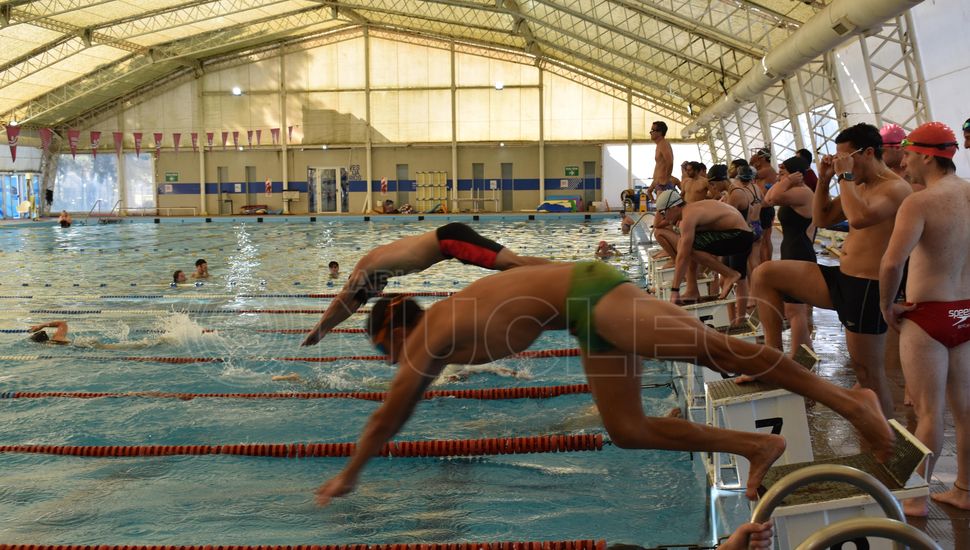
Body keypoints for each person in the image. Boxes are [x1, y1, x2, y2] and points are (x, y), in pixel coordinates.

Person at [313, 262, 893, 505]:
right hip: (581, 317)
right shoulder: (441, 330)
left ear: (392, 328)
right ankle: (757, 445)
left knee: (718, 351)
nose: (389, 363)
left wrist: (349, 472)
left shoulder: (423, 336)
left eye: (381, 350)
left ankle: (851, 402)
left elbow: (387, 416)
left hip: (589, 295)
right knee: (628, 429)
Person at [751, 123, 911, 416]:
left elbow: (860, 218)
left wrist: (845, 176)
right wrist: (824, 181)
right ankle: (773, 362)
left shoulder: (896, 188)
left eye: (846, 157)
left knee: (868, 377)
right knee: (765, 274)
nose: (840, 163)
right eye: (837, 158)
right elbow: (822, 218)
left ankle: (885, 446)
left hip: (867, 289)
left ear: (869, 152)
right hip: (841, 277)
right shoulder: (860, 185)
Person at [879, 122, 970, 516]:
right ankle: (964, 490)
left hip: (926, 315)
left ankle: (915, 497)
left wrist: (888, 305)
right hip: (965, 311)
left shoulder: (918, 203)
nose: (905, 161)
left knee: (928, 412)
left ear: (927, 156)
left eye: (910, 155)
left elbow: (891, 263)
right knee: (966, 412)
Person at [301, 222, 551, 346]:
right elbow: (353, 303)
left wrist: (319, 331)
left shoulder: (362, 272)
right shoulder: (376, 262)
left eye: (374, 292)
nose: (379, 292)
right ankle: (562, 269)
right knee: (516, 263)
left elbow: (345, 301)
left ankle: (563, 277)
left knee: (515, 268)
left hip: (450, 242)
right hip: (451, 240)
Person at [653, 190, 754, 303]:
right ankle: (692, 290)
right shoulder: (691, 209)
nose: (664, 218)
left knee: (688, 247)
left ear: (674, 207)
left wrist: (675, 290)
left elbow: (683, 256)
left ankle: (730, 274)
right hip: (741, 234)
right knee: (688, 243)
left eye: (662, 213)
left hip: (739, 237)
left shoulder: (688, 217)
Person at [763, 156, 816, 358]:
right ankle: (804, 351)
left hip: (799, 251)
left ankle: (798, 354)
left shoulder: (802, 193)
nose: (779, 175)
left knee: (795, 309)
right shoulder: (794, 191)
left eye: (783, 171)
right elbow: (769, 196)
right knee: (794, 309)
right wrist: (784, 180)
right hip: (793, 250)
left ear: (796, 174)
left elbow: (771, 199)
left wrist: (786, 181)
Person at [722, 165, 762, 326]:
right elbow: (764, 203)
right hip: (757, 226)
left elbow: (731, 214)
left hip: (746, 228)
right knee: (754, 263)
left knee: (741, 271)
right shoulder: (757, 188)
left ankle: (746, 302)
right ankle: (756, 295)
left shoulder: (738, 191)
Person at [27, 320, 162, 349]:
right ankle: (156, 342)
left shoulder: (53, 343)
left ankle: (156, 342)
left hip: (86, 346)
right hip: (85, 343)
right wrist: (42, 325)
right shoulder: (57, 337)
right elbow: (62, 323)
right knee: (129, 345)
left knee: (134, 346)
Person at [750, 147, 777, 263]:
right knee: (761, 240)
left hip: (765, 208)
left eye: (758, 158)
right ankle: (764, 263)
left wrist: (752, 162)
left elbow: (747, 174)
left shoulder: (767, 170)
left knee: (764, 239)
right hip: (761, 208)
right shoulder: (762, 170)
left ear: (762, 158)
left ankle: (766, 263)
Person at [879, 123, 923, 191]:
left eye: (882, 151)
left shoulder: (918, 171)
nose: (878, 156)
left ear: (897, 147)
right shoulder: (882, 176)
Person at [648, 121, 675, 202]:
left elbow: (670, 162)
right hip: (659, 184)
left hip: (663, 185)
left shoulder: (663, 144)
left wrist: (666, 180)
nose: (650, 133)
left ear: (660, 132)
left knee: (661, 213)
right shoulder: (659, 145)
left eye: (653, 130)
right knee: (662, 212)